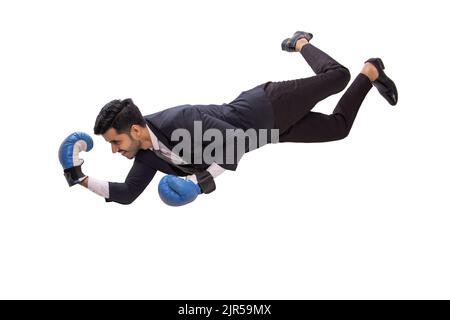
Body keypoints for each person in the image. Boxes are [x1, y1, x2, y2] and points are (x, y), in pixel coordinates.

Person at [58, 30, 398, 206]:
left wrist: (199, 182)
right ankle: (371, 72)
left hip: (267, 106)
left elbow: (234, 146)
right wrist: (78, 177)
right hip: (268, 132)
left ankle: (300, 42)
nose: (115, 151)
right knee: (338, 129)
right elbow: (127, 193)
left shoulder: (180, 121)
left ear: (134, 129)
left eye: (116, 142)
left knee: (337, 76)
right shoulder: (147, 154)